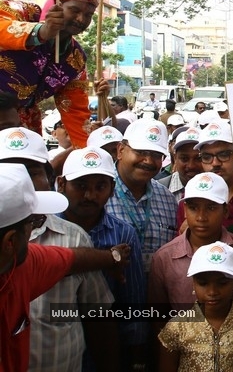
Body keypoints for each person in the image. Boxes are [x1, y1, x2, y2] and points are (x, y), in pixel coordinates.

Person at [0, 164, 131, 371]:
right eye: (31, 223)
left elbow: (72, 259)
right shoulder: (21, 264)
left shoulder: (26, 261)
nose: (35, 233)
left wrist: (111, 258)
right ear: (11, 241)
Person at [58, 146, 147, 369]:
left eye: (100, 187)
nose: (90, 195)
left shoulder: (124, 233)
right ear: (61, 184)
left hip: (105, 352)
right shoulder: (44, 230)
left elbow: (132, 302)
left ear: (112, 188)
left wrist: (135, 357)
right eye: (81, 186)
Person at [0, 0, 107, 148]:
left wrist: (89, 153)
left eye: (88, 15)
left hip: (23, 125)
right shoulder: (24, 12)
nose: (81, 20)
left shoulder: (75, 58)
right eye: (75, 10)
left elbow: (75, 112)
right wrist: (41, 32)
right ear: (56, 5)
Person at [157, 241, 233, 372]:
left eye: (222, 283)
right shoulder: (177, 327)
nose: (212, 292)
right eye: (203, 283)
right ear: (193, 284)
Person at [149, 172, 233, 309]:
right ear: (184, 210)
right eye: (193, 208)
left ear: (226, 210)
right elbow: (158, 314)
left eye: (211, 208)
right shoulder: (164, 257)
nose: (201, 217)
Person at [105, 118, 177, 273]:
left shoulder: (168, 200)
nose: (148, 161)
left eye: (157, 155)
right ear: (120, 150)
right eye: (141, 152)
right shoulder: (99, 194)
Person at [160, 127, 203, 203]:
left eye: (198, 158)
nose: (191, 166)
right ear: (175, 158)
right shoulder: (159, 191)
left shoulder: (219, 189)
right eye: (184, 158)